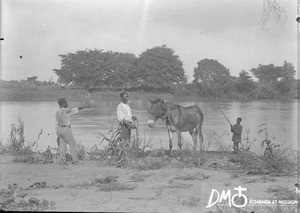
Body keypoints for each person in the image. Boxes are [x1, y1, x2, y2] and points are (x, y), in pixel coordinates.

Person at [55, 98, 89, 165]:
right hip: (66, 129)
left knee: (62, 145)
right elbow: (77, 109)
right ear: (63, 103)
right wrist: (85, 106)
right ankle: (75, 161)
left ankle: (62, 161)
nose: (67, 103)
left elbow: (56, 123)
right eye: (66, 102)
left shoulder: (57, 112)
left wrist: (58, 133)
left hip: (59, 129)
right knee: (72, 144)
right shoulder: (67, 110)